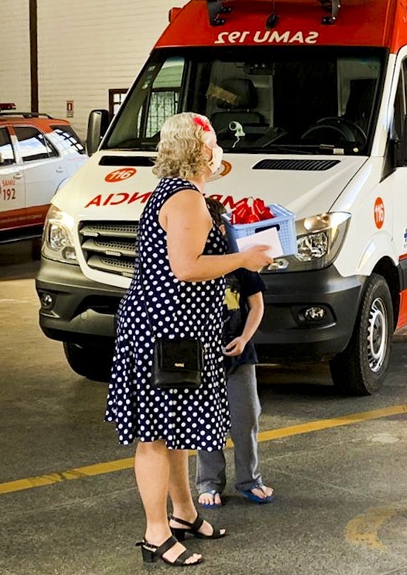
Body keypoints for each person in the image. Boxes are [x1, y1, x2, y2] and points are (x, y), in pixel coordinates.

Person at [105, 112, 272, 567]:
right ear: (199, 151)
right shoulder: (184, 200)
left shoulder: (187, 196)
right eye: (214, 142)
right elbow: (186, 267)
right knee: (156, 437)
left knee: (175, 430)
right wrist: (244, 258)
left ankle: (183, 514)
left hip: (179, 332)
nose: (220, 149)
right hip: (165, 332)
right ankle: (156, 534)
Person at [196, 198, 274, 508]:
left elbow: (256, 305)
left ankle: (249, 479)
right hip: (203, 355)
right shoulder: (192, 264)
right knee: (204, 420)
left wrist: (243, 338)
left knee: (246, 417)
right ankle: (208, 481)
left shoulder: (239, 263)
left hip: (239, 355)